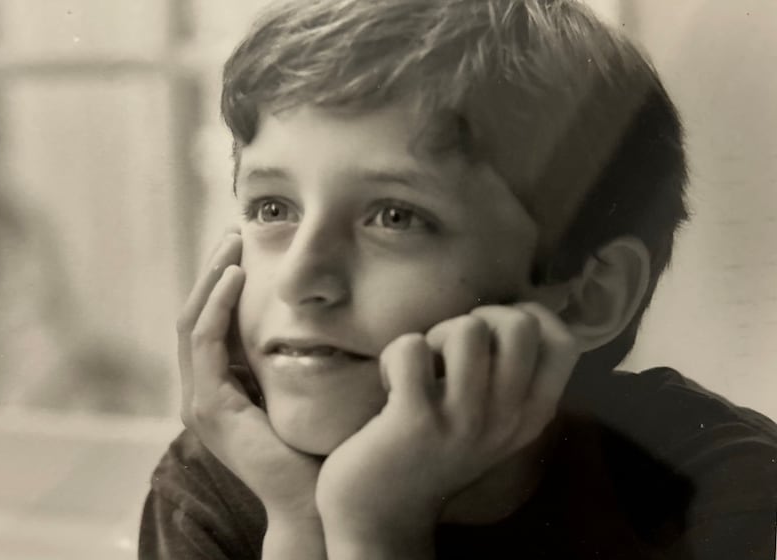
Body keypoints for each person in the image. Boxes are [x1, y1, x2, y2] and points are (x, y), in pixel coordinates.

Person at [139, 0, 777, 558]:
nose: (301, 277)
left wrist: (373, 534)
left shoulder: (725, 483)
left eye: (395, 216)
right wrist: (301, 524)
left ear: (588, 293)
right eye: (272, 209)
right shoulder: (220, 485)